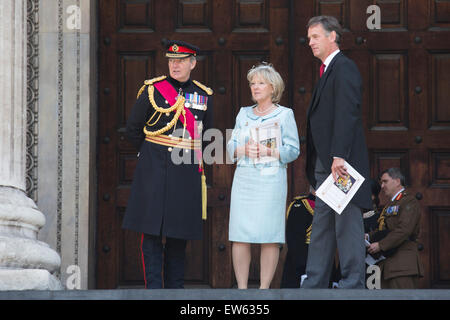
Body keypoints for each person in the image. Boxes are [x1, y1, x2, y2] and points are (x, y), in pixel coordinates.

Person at [122, 40, 213, 289]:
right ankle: (153, 292)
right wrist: (152, 153)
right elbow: (132, 129)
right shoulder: (153, 90)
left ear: (192, 63)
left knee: (178, 236)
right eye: (172, 60)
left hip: (185, 171)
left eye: (181, 61)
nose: (175, 65)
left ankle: (175, 292)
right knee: (150, 234)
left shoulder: (203, 95)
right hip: (153, 169)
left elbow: (207, 137)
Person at [302, 16, 372, 289]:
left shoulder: (344, 68)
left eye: (315, 37)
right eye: (309, 38)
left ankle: (353, 282)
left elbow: (347, 113)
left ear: (333, 36)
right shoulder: (327, 70)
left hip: (340, 162)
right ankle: (315, 283)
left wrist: (339, 156)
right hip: (326, 162)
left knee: (347, 223)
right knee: (322, 224)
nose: (310, 43)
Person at [227, 63, 300, 289]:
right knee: (240, 234)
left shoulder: (285, 115)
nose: (255, 87)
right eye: (252, 83)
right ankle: (241, 289)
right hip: (245, 179)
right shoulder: (243, 114)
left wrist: (271, 152)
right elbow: (230, 148)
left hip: (271, 181)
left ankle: (263, 289)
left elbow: (293, 150)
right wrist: (243, 150)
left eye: (260, 83)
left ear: (272, 87)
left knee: (270, 234)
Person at [367, 168, 424, 289]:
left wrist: (380, 245)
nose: (382, 186)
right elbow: (384, 229)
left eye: (385, 181)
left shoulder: (409, 201)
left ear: (397, 181)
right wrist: (369, 237)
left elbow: (404, 230)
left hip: (402, 265)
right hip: (387, 265)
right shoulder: (390, 204)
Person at [280, 189, 341, 288]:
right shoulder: (300, 206)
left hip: (326, 268)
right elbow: (295, 243)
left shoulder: (333, 206)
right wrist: (303, 270)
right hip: (301, 270)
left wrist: (335, 276)